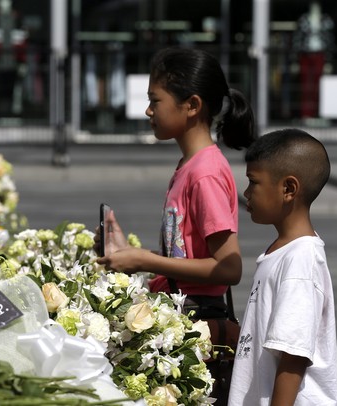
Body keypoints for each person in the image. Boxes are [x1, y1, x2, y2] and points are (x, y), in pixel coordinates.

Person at [95, 46, 256, 404]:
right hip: (183, 315)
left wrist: (146, 261)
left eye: (156, 100)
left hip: (199, 322)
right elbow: (188, 257)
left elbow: (228, 267)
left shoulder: (205, 173)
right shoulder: (191, 166)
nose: (148, 111)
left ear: (192, 105)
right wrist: (128, 253)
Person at [228, 128, 337, 405]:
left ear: (288, 189)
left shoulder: (300, 259)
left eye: (254, 182)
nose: (246, 192)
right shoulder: (282, 252)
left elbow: (293, 356)